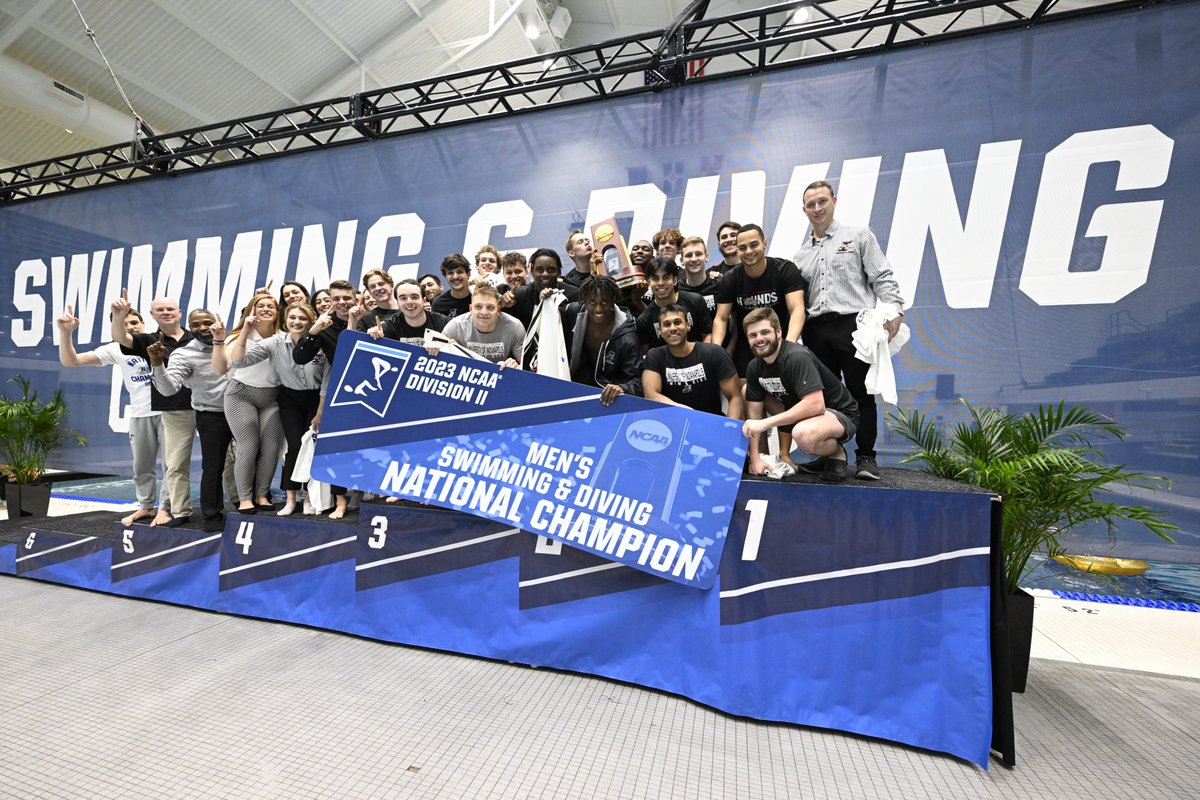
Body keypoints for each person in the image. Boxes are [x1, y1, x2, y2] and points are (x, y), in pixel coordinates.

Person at [792, 180, 906, 481]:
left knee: (861, 393)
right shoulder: (800, 256)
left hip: (854, 326)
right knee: (822, 398)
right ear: (804, 210)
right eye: (810, 204)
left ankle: (866, 457)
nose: (817, 208)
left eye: (822, 201)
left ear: (834, 201)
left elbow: (882, 276)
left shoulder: (858, 236)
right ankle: (829, 455)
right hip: (815, 331)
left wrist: (894, 310)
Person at [58, 306, 163, 526]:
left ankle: (169, 509)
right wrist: (65, 332)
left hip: (170, 412)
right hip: (140, 414)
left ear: (143, 323)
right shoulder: (115, 349)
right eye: (124, 325)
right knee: (142, 466)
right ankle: (145, 506)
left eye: (134, 323)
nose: (130, 327)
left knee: (173, 465)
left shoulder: (160, 341)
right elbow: (71, 360)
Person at [228, 303, 327, 516]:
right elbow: (238, 362)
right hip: (289, 398)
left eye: (302, 318)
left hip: (316, 398)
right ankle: (291, 498)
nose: (297, 322)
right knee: (293, 447)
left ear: (311, 321)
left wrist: (320, 412)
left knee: (312, 448)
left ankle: (309, 498)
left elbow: (327, 380)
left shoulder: (320, 343)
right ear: (285, 320)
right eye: (292, 317)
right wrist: (245, 331)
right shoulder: (275, 343)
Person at [741, 308, 858, 483]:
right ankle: (766, 458)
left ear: (779, 332)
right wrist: (756, 458)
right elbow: (754, 415)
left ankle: (836, 454)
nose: (759, 339)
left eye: (765, 332)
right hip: (802, 410)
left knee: (804, 434)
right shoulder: (754, 366)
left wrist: (764, 423)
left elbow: (815, 405)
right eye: (753, 335)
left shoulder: (796, 356)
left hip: (837, 413)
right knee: (746, 391)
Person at [110, 292, 194, 528]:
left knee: (177, 464)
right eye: (160, 310)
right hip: (169, 409)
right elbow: (121, 337)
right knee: (158, 464)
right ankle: (152, 506)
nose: (166, 312)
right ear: (152, 315)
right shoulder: (148, 340)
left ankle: (168, 507)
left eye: (170, 308)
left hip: (201, 405)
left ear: (179, 312)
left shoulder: (195, 337)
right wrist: (120, 315)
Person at [149, 309, 236, 524]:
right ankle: (211, 515)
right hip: (211, 414)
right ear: (189, 328)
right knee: (212, 466)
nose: (202, 328)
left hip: (242, 411)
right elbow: (169, 390)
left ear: (216, 322)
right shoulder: (183, 354)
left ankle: (249, 504)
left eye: (207, 322)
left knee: (248, 460)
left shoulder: (233, 344)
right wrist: (158, 364)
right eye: (195, 325)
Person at [211, 292, 284, 514]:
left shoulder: (283, 336)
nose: (265, 309)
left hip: (272, 396)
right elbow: (220, 369)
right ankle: (244, 498)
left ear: (277, 312)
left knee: (271, 448)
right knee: (248, 447)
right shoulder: (236, 337)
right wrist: (244, 329)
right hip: (241, 395)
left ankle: (262, 495)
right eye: (260, 305)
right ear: (251, 310)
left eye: (270, 306)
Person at [292, 279, 359, 519]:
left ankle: (371, 494)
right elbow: (300, 357)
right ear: (330, 302)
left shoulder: (368, 318)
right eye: (336, 299)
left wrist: (356, 320)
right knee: (338, 448)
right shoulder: (325, 326)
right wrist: (313, 330)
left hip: (374, 391)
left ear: (356, 297)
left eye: (346, 298)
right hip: (340, 394)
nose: (342, 303)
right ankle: (340, 501)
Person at [710, 223, 807, 377]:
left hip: (781, 343)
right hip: (747, 348)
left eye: (754, 245)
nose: (748, 251)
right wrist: (714, 351)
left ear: (764, 243)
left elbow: (797, 309)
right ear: (737, 250)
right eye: (742, 247)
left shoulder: (785, 269)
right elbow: (721, 319)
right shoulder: (730, 279)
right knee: (747, 393)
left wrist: (789, 345)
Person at [642, 304, 743, 419]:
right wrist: (683, 410)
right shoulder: (655, 356)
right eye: (666, 324)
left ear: (688, 325)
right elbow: (651, 395)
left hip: (711, 422)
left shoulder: (713, 353)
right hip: (674, 424)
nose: (672, 328)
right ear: (660, 331)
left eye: (677, 322)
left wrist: (729, 428)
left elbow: (735, 397)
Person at [564, 275, 642, 405]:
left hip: (609, 396)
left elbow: (637, 381)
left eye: (604, 302)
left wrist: (623, 388)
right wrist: (545, 297)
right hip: (577, 387)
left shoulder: (628, 336)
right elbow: (548, 318)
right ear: (584, 301)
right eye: (592, 302)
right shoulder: (572, 313)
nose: (598, 309)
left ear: (613, 300)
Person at [440, 283, 524, 367]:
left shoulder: (515, 327)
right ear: (471, 309)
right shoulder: (456, 326)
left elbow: (527, 366)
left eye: (490, 307)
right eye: (478, 306)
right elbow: (438, 359)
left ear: (498, 310)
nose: (484, 312)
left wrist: (514, 369)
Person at [636, 256, 712, 348]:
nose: (660, 283)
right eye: (655, 278)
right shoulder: (644, 320)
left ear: (675, 280)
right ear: (649, 282)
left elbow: (707, 335)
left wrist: (703, 358)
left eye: (666, 277)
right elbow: (645, 352)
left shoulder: (695, 301)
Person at [371, 278, 450, 345]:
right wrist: (372, 338)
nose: (409, 302)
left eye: (414, 297)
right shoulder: (389, 326)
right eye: (403, 298)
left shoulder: (444, 323)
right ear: (398, 303)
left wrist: (446, 347)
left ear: (424, 300)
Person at [678, 236, 721, 313]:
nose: (694, 259)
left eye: (698, 254)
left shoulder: (720, 285)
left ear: (706, 257)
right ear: (681, 261)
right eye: (689, 255)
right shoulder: (676, 290)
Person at [431, 253, 473, 319]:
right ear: (445, 276)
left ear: (468, 273)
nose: (455, 277)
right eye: (450, 273)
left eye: (460, 272)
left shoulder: (480, 297)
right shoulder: (438, 304)